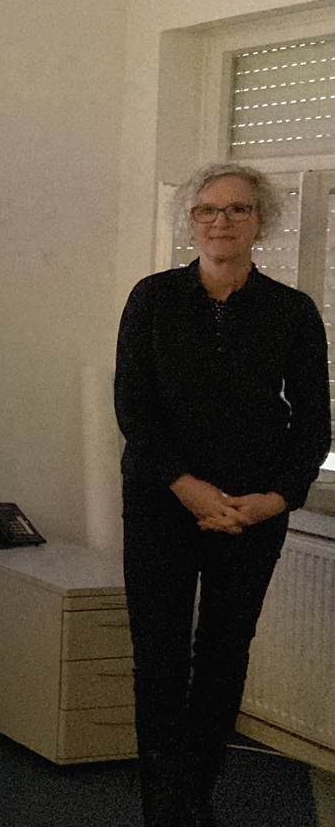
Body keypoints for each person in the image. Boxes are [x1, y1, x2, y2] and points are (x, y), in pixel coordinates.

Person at [114, 161, 329, 827]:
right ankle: (162, 807)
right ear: (190, 221)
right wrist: (188, 487)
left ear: (261, 221)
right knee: (159, 658)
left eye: (238, 209)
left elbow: (314, 424)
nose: (221, 221)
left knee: (223, 655)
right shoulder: (153, 298)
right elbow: (134, 409)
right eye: (207, 209)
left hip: (251, 511)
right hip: (161, 501)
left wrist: (277, 498)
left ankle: (197, 794)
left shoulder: (292, 312)